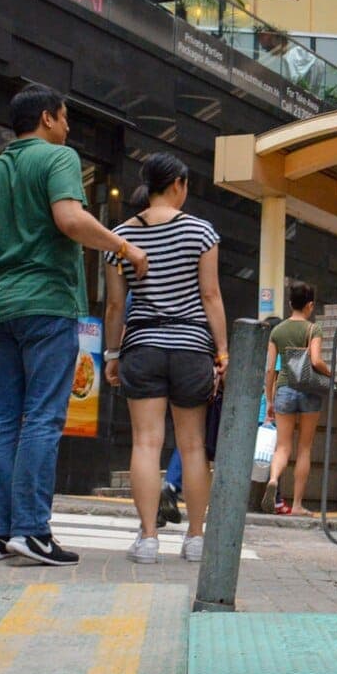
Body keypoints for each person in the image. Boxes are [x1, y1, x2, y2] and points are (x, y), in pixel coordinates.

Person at [0, 85, 148, 567]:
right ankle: (32, 531)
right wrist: (124, 248)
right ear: (46, 118)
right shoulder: (58, 159)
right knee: (42, 416)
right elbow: (70, 219)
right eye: (64, 119)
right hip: (49, 304)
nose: (68, 128)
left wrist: (1, 270)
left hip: (2, 307)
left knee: (0, 418)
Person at [102, 153, 225, 563]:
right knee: (192, 447)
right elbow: (210, 295)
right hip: (191, 346)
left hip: (142, 345)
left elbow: (116, 307)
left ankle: (149, 539)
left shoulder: (119, 237)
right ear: (177, 184)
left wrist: (112, 353)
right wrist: (221, 351)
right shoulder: (200, 231)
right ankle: (194, 539)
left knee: (146, 443)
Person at [262, 281, 328, 515]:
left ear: (290, 303)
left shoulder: (277, 331)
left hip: (284, 389)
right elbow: (316, 361)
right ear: (310, 305)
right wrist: (330, 374)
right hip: (309, 390)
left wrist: (269, 399)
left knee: (282, 446)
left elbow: (271, 369)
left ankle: (273, 479)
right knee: (304, 448)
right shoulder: (313, 329)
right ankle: (298, 504)